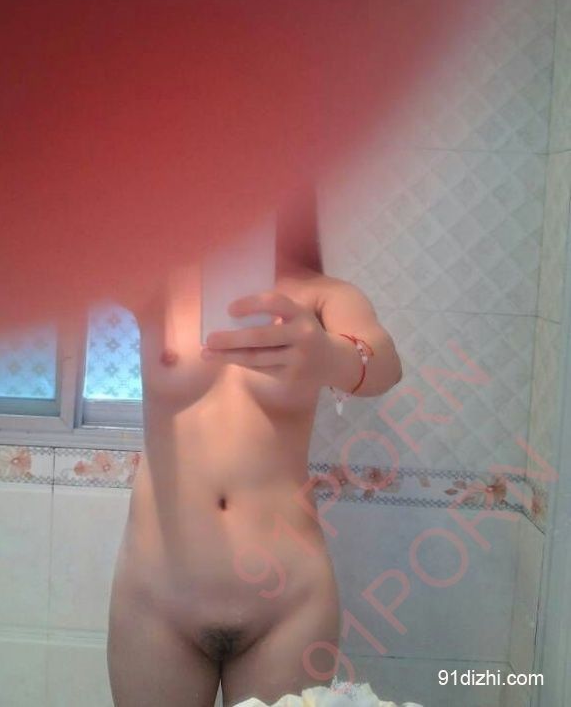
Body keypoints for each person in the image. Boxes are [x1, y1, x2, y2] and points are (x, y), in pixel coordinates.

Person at [107, 185, 403, 706]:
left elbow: (385, 364)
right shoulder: (154, 281)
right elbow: (52, 253)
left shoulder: (321, 295)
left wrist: (327, 356)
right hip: (157, 597)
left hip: (289, 605)